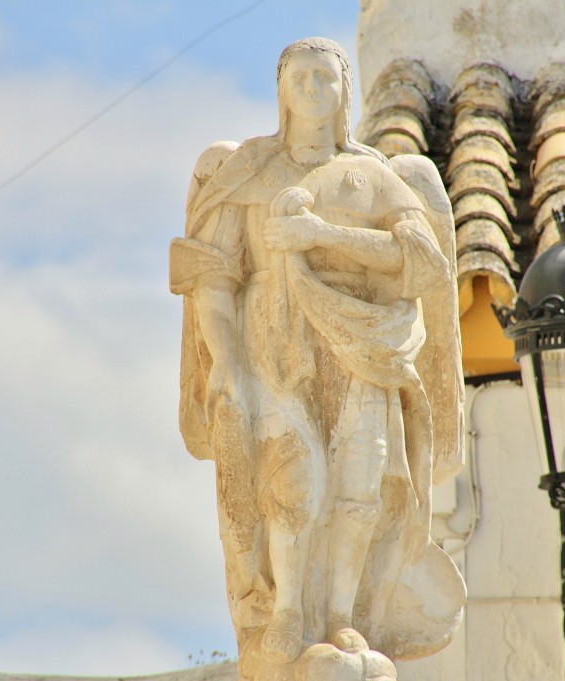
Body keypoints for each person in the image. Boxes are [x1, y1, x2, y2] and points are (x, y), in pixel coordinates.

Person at [170, 37, 465, 678]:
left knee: (360, 484)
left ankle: (341, 615)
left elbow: (422, 261)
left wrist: (322, 236)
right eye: (298, 77)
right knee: (291, 476)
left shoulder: (378, 179)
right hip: (271, 349)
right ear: (281, 91)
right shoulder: (245, 171)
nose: (310, 88)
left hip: (364, 349)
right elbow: (211, 277)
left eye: (323, 78)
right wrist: (222, 359)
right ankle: (285, 619)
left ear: (343, 94)